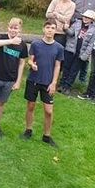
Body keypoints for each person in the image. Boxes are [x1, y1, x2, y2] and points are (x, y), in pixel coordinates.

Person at [21, 20, 64, 148]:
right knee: (31, 106)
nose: (50, 30)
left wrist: (54, 83)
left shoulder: (59, 48)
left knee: (49, 111)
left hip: (48, 83)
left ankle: (47, 136)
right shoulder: (36, 44)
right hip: (33, 80)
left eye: (52, 28)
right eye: (48, 27)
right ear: (43, 29)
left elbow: (57, 66)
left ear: (55, 30)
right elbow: (30, 60)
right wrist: (31, 64)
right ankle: (28, 130)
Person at [58, 10, 95, 94]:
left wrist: (86, 55)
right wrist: (65, 28)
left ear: (92, 19)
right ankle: (62, 85)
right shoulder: (77, 23)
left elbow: (91, 44)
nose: (85, 18)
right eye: (84, 16)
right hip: (70, 49)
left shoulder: (94, 30)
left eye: (88, 17)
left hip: (81, 53)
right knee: (66, 68)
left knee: (74, 70)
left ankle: (68, 86)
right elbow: (71, 33)